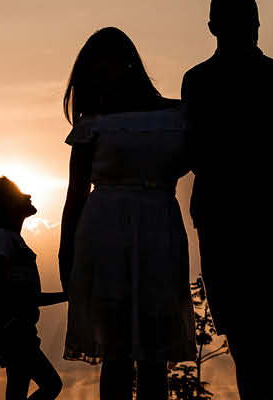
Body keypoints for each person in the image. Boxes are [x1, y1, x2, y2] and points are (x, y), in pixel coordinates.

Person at [180, 0, 273, 397]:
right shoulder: (204, 81)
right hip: (231, 213)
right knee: (249, 338)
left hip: (254, 213)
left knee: (263, 337)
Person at [58, 27, 197, 400]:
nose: (104, 74)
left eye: (108, 65)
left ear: (128, 63)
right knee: (116, 352)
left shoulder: (178, 115)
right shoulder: (93, 124)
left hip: (159, 231)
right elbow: (75, 195)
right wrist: (65, 254)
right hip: (104, 236)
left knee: (155, 352)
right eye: (96, 69)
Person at [0, 177, 67, 400]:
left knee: (18, 389)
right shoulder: (1, 239)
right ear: (4, 204)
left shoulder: (10, 239)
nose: (28, 196)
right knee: (51, 384)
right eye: (18, 193)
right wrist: (9, 323)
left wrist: (67, 296)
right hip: (12, 331)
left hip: (18, 329)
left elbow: (27, 297)